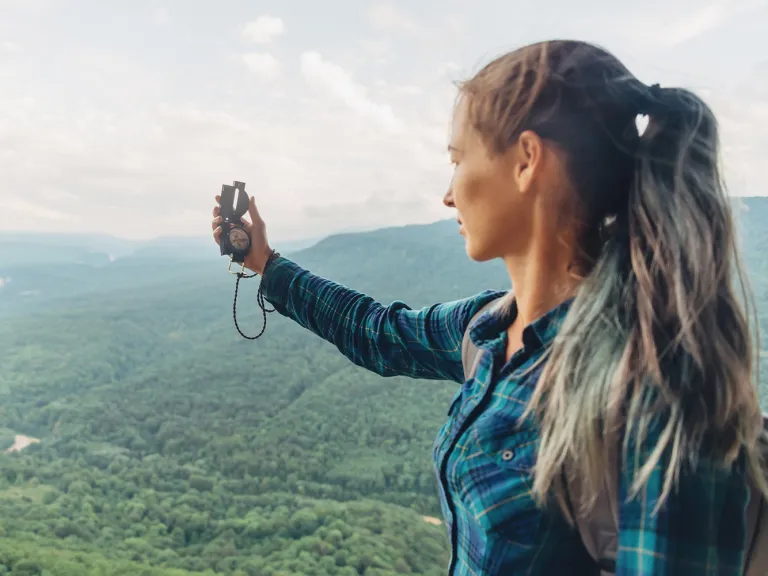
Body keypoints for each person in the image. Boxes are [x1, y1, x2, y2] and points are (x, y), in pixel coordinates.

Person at [211, 40, 767, 575]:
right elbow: (380, 332)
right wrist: (266, 262)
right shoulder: (492, 329)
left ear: (527, 160)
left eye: (457, 159)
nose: (448, 194)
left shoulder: (651, 393)